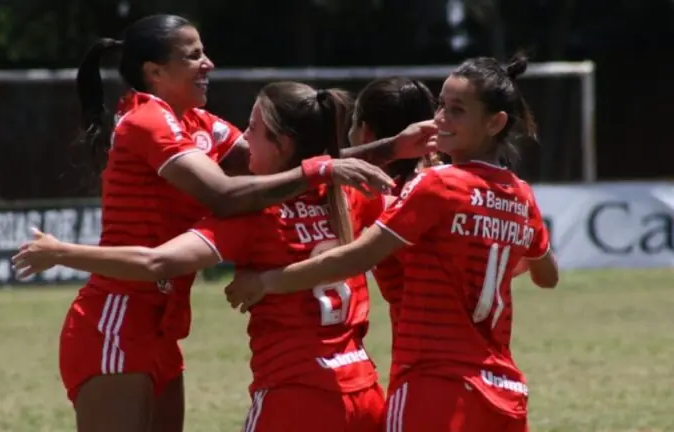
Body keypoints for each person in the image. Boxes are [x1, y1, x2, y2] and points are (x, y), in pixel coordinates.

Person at [61, 13, 434, 432]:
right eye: (194, 55)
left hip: (160, 321)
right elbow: (226, 192)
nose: (209, 64)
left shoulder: (199, 125)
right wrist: (323, 172)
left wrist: (390, 147)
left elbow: (288, 160)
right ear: (155, 72)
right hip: (119, 315)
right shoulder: (147, 119)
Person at [223, 55, 560, 432]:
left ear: (495, 122)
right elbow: (546, 275)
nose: (442, 119)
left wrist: (266, 282)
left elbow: (356, 257)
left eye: (457, 111)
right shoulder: (521, 195)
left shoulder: (436, 186)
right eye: (441, 106)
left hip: (434, 383)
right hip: (504, 389)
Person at [348, 77, 442, 382]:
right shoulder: (449, 184)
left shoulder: (382, 201)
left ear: (365, 132)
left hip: (423, 362)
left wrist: (270, 281)